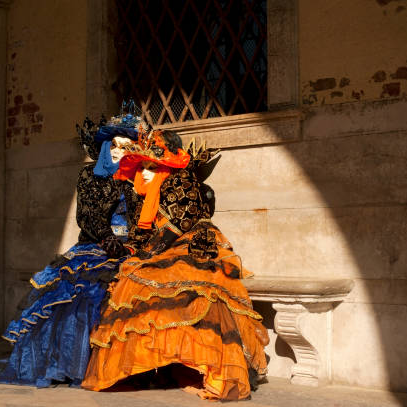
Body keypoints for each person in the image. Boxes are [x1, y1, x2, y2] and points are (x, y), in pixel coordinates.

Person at [82, 130, 269, 401]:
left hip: (193, 244)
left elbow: (184, 218)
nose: (144, 173)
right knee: (133, 280)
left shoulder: (180, 180)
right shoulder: (146, 194)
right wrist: (136, 251)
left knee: (192, 290)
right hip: (163, 247)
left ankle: (199, 365)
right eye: (142, 166)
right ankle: (148, 366)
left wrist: (152, 250)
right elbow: (142, 233)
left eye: (151, 166)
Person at [0, 109, 147, 387]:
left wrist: (136, 242)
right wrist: (108, 239)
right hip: (97, 246)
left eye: (128, 146)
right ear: (106, 148)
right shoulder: (90, 176)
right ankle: (77, 364)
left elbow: (139, 216)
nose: (122, 151)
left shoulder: (134, 180)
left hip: (129, 248)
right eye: (117, 145)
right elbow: (86, 215)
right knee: (85, 299)